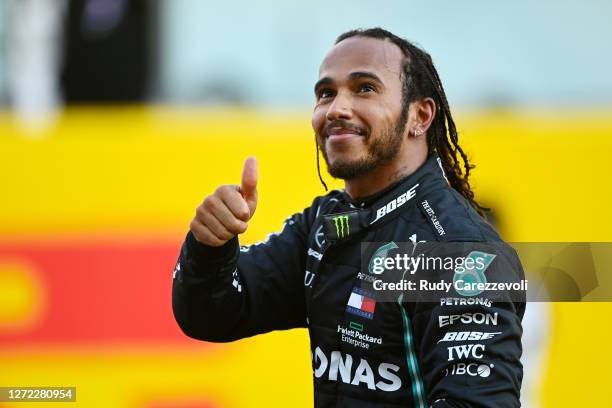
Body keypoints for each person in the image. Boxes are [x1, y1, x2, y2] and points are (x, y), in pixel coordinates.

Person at [172, 28, 525, 407]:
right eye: (326, 93)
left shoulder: (456, 250)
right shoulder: (325, 225)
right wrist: (211, 247)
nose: (337, 108)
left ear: (419, 116)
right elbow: (210, 314)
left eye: (364, 88)